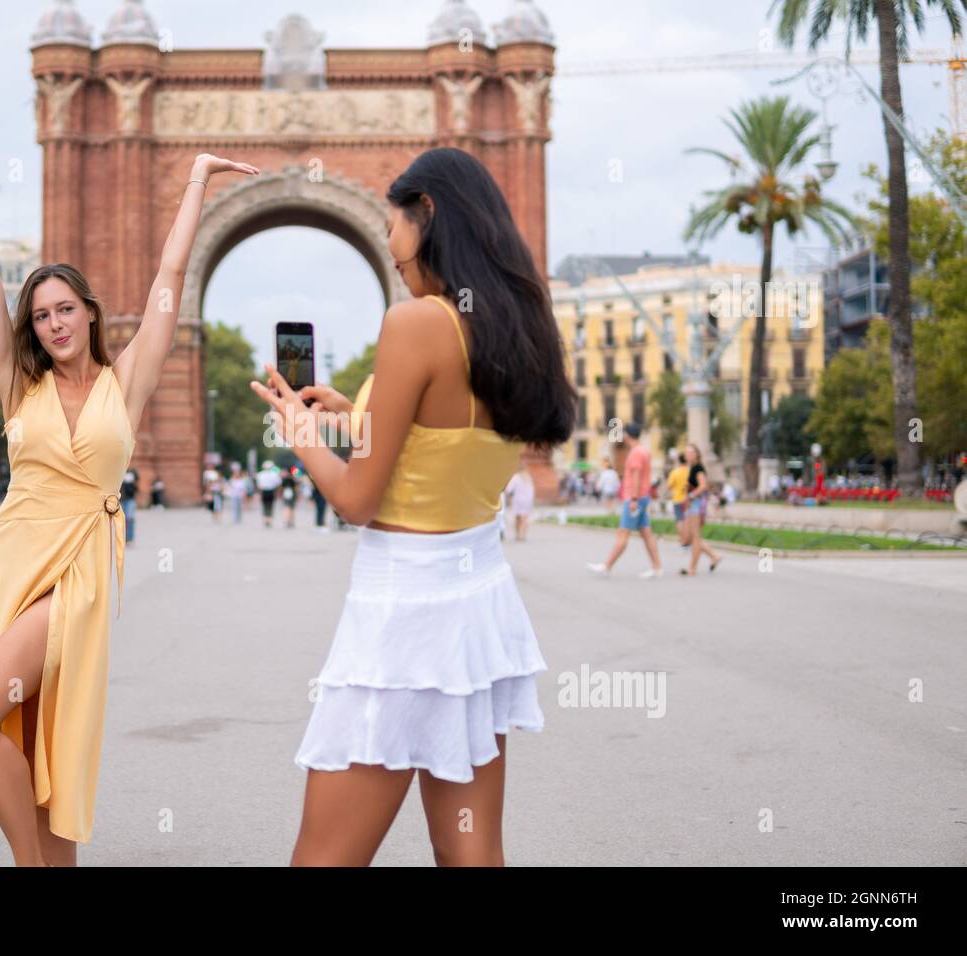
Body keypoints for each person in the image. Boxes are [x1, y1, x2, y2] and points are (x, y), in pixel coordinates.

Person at [0, 126, 258, 866]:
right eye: (41, 315)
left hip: (79, 572)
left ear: (89, 311)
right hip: (7, 566)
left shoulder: (128, 382)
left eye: (64, 309)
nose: (53, 324)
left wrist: (198, 182)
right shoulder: (19, 385)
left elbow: (169, 280)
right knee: (29, 742)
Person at [251, 147, 576, 866]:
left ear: (427, 214)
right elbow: (442, 444)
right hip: (476, 602)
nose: (392, 253)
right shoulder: (515, 329)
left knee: (323, 858)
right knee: (471, 855)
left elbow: (358, 501)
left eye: (392, 230)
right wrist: (350, 413)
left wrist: (301, 435)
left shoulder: (415, 324)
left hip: (403, 613)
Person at [587, 423, 663, 577]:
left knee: (623, 533)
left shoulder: (635, 453)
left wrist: (634, 499)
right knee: (646, 534)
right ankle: (657, 567)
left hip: (635, 498)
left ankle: (607, 565)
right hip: (642, 496)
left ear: (627, 435)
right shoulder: (644, 451)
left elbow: (635, 476)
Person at [682, 443, 722, 576]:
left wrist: (690, 496)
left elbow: (703, 486)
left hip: (696, 505)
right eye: (686, 453)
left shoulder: (698, 468)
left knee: (695, 538)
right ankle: (714, 556)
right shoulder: (693, 467)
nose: (688, 455)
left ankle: (692, 568)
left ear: (696, 454)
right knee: (690, 537)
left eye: (690, 453)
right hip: (693, 504)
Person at [666, 452, 691, 548]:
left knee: (679, 520)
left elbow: (669, 486)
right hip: (688, 500)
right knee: (686, 520)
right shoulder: (690, 471)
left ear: (678, 461)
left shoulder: (675, 472)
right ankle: (687, 541)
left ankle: (682, 540)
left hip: (677, 499)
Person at [503, 467, 535, 541]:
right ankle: (523, 535)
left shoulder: (516, 477)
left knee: (518, 518)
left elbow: (508, 489)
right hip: (528, 500)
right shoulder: (528, 477)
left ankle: (518, 534)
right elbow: (532, 491)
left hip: (518, 500)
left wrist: (506, 496)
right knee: (525, 518)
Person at [255, 461, 281, 527]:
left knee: (265, 506)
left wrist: (260, 494)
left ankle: (266, 519)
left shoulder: (260, 474)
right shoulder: (274, 475)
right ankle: (269, 520)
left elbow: (259, 486)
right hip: (271, 491)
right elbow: (278, 485)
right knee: (270, 506)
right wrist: (277, 493)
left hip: (264, 491)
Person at [120, 468, 138, 542]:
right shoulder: (120, 472)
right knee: (123, 519)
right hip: (122, 500)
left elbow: (137, 480)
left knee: (129, 519)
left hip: (130, 500)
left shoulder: (132, 472)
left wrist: (131, 479)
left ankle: (130, 538)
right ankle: (124, 538)